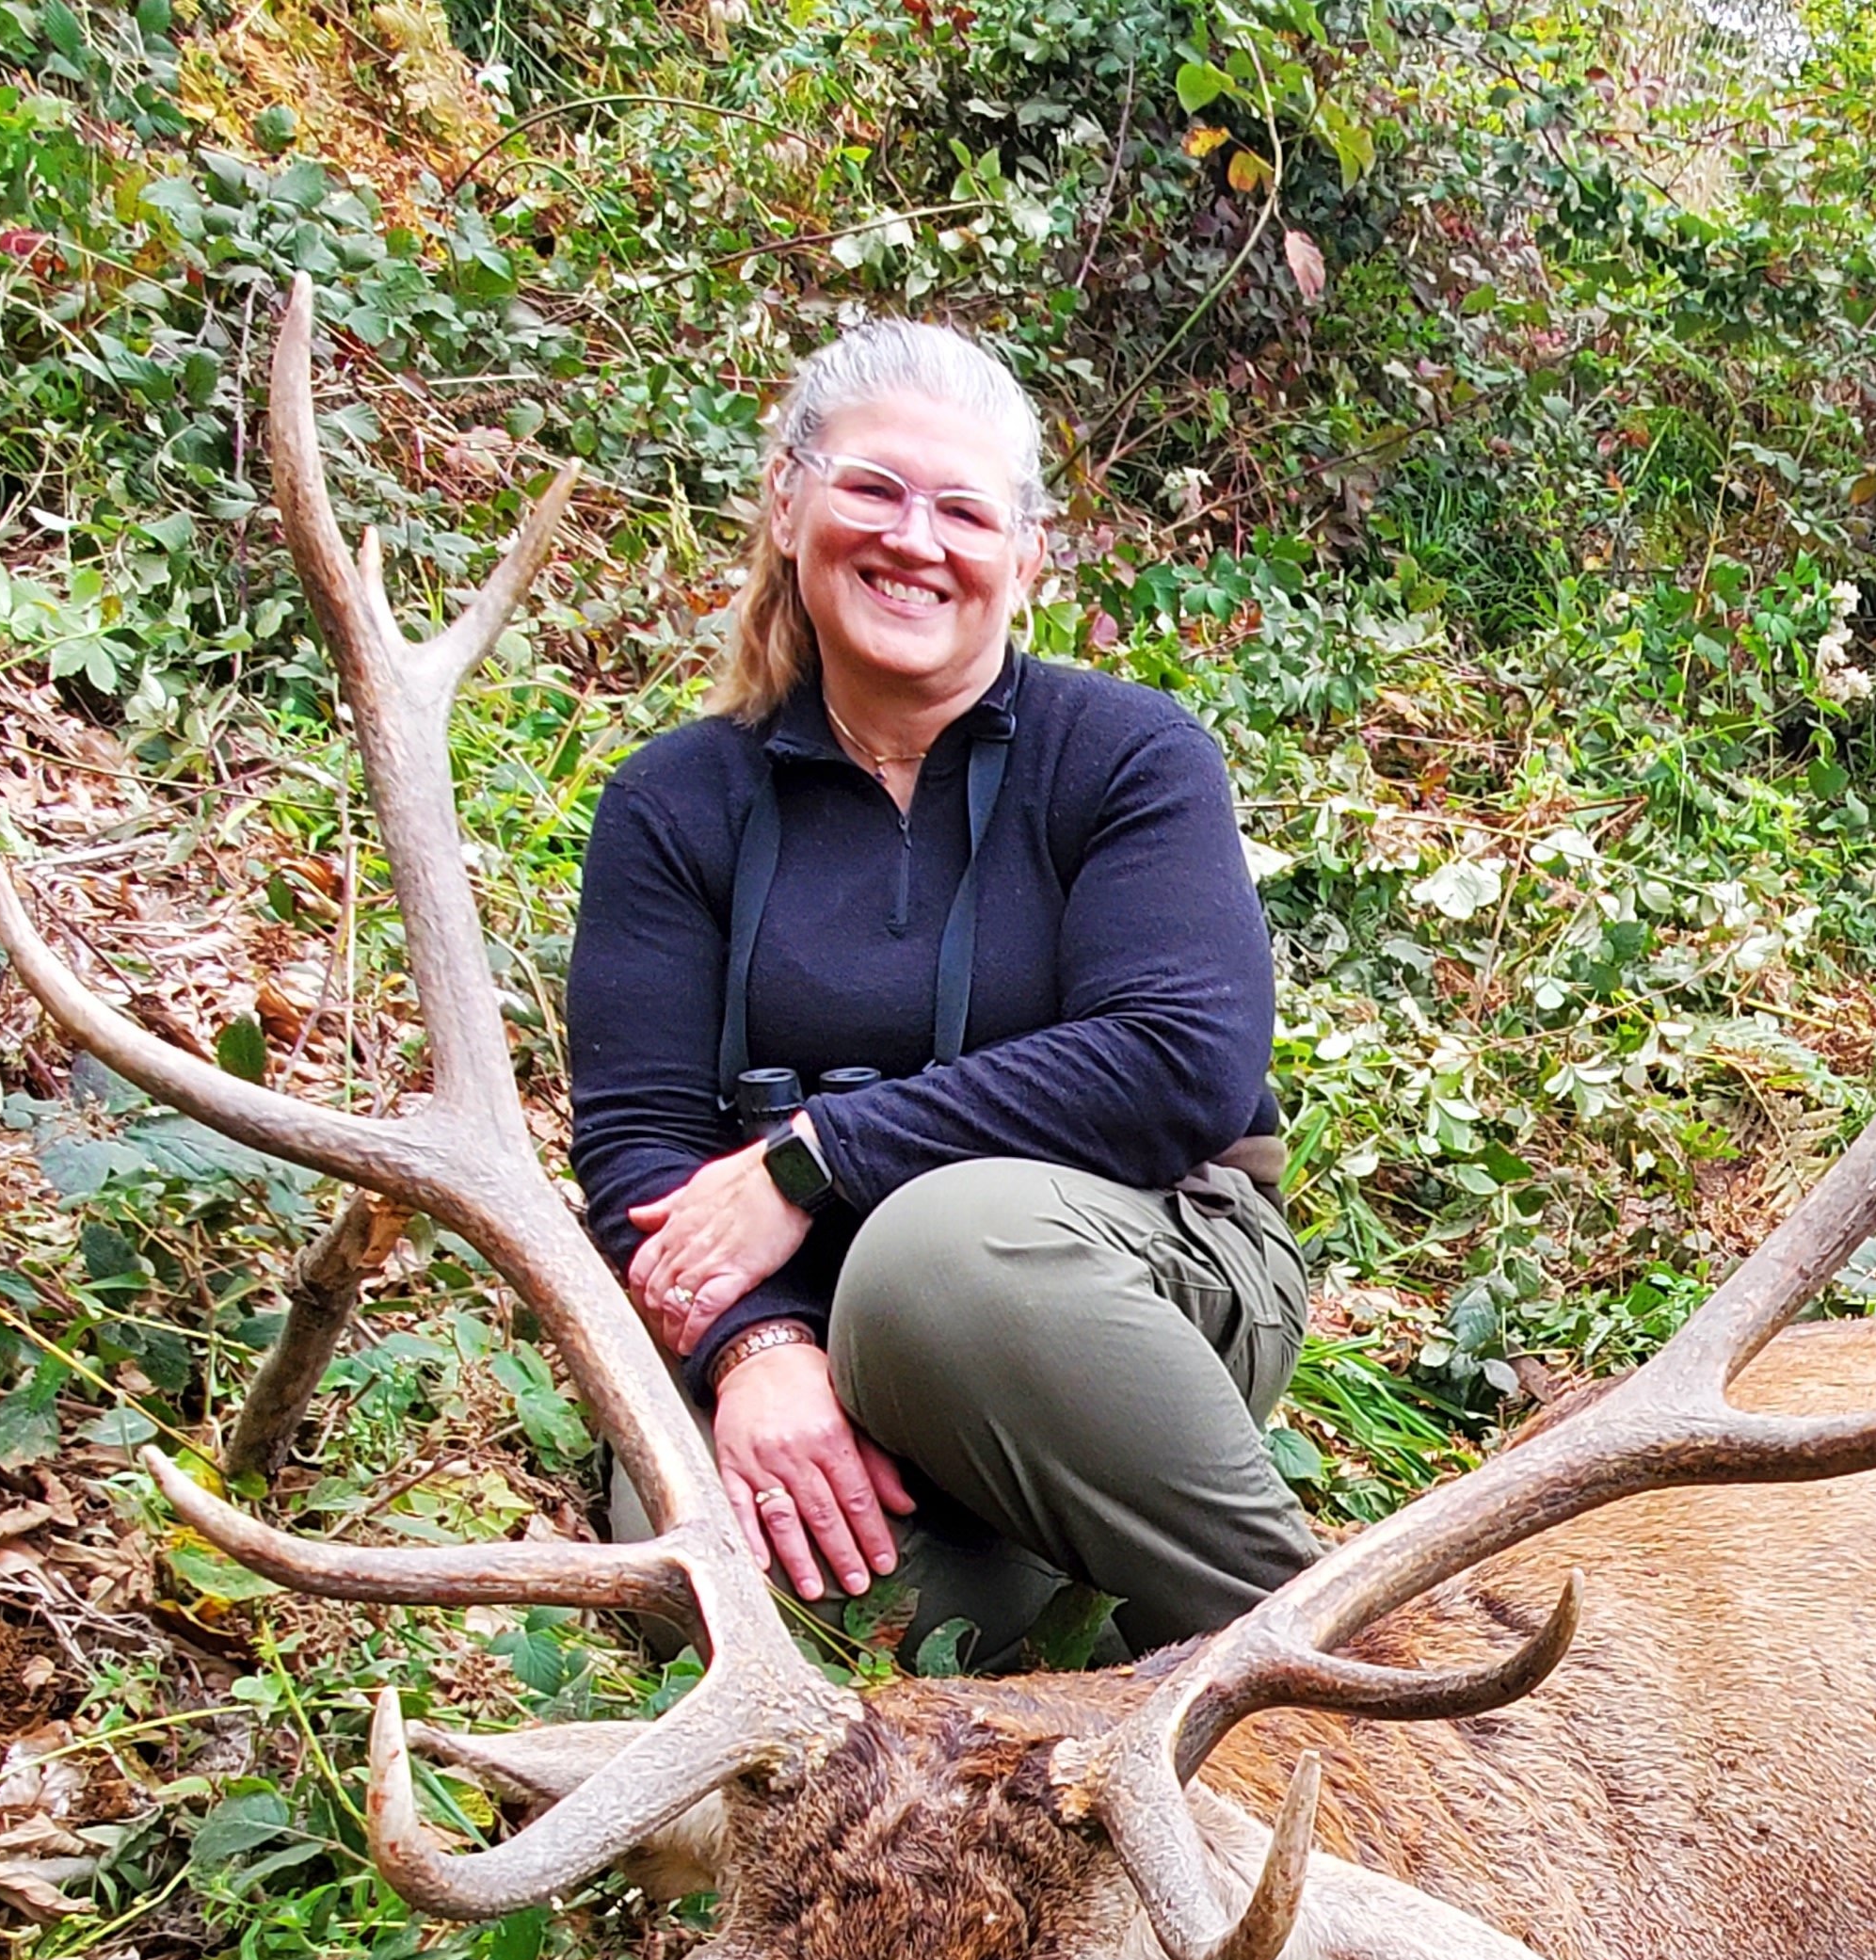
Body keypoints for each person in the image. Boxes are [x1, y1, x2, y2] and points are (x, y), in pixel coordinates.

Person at [565, 318, 1317, 1669]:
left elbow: (1178, 1063)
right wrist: (757, 1353)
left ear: (1024, 558)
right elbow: (642, 1151)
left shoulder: (1128, 759)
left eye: (965, 510)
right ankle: (1071, 1603)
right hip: (814, 1351)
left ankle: (1340, 1671)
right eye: (872, 490)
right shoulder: (673, 804)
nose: (916, 540)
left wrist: (812, 1161)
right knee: (739, 1590)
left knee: (941, 1259)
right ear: (789, 500)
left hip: (1131, 1274)